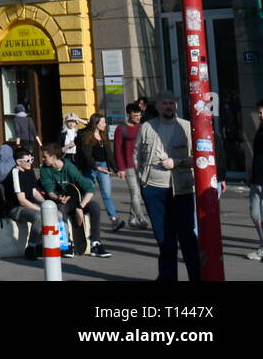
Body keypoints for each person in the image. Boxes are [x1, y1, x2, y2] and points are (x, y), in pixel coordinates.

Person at [134, 90, 198, 280]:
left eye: (172, 103)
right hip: (153, 188)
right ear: (158, 106)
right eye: (165, 103)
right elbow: (137, 154)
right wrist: (142, 179)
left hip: (182, 188)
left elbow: (198, 158)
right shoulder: (147, 126)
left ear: (176, 106)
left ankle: (197, 276)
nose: (168, 106)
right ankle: (167, 277)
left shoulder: (186, 127)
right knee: (163, 238)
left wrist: (177, 162)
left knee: (187, 236)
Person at [39, 142, 111, 258]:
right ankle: (66, 244)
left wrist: (80, 207)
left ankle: (95, 243)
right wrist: (58, 198)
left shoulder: (69, 167)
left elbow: (89, 189)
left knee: (95, 207)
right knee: (60, 210)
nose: (42, 159)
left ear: (53, 157)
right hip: (61, 201)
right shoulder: (44, 170)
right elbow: (50, 191)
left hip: (76, 200)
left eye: (44, 157)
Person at [74, 112, 124, 231]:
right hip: (90, 168)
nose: (105, 124)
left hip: (103, 167)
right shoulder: (86, 136)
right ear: (96, 124)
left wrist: (116, 169)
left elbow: (109, 154)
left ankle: (114, 220)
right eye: (103, 122)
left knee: (107, 194)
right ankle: (82, 219)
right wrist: (96, 167)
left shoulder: (102, 136)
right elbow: (87, 156)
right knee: (88, 193)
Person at [1, 148, 46, 260]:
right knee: (39, 216)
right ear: (18, 162)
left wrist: (47, 204)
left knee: (55, 213)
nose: (31, 162)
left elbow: (34, 192)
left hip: (26, 205)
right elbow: (21, 200)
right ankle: (31, 248)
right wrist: (40, 209)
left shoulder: (29, 170)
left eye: (32, 159)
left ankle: (42, 245)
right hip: (16, 208)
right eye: (28, 160)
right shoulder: (15, 173)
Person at [113, 101, 150, 229]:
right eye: (135, 115)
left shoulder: (142, 127)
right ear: (129, 115)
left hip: (142, 165)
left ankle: (132, 219)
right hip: (128, 166)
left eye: (140, 115)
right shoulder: (121, 129)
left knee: (140, 193)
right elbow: (117, 150)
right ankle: (142, 218)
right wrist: (121, 168)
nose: (138, 118)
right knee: (135, 193)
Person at [247, 98, 263, 262]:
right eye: (259, 112)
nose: (261, 115)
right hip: (257, 179)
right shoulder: (260, 128)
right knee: (255, 214)